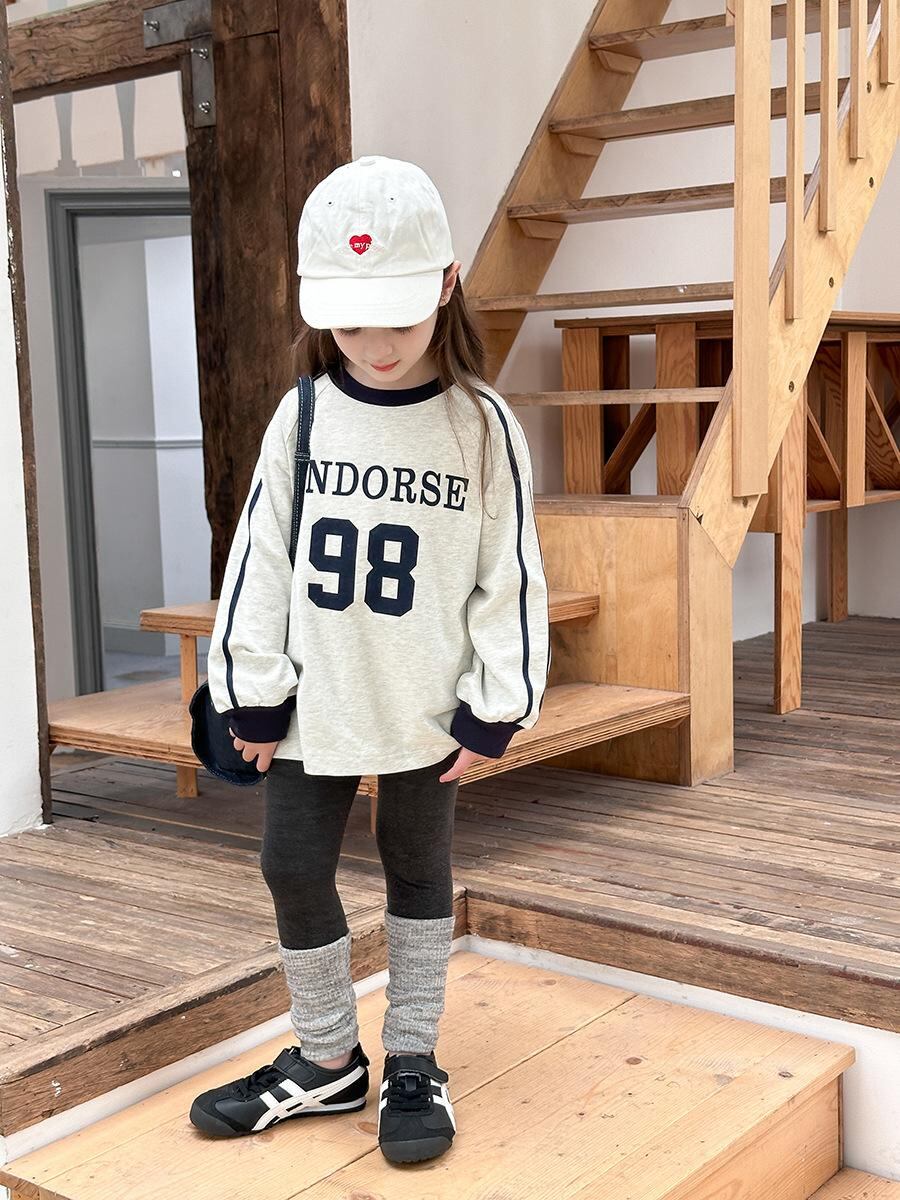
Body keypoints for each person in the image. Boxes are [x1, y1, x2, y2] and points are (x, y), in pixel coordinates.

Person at [189, 155, 550, 1164]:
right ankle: (325, 1057)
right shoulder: (303, 415)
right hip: (318, 701)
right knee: (290, 864)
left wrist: (497, 704)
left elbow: (509, 577)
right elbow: (259, 559)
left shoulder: (483, 428)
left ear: (446, 285)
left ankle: (412, 1059)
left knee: (417, 867)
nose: (377, 348)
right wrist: (249, 695)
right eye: (351, 326)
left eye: (396, 319)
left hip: (426, 705)